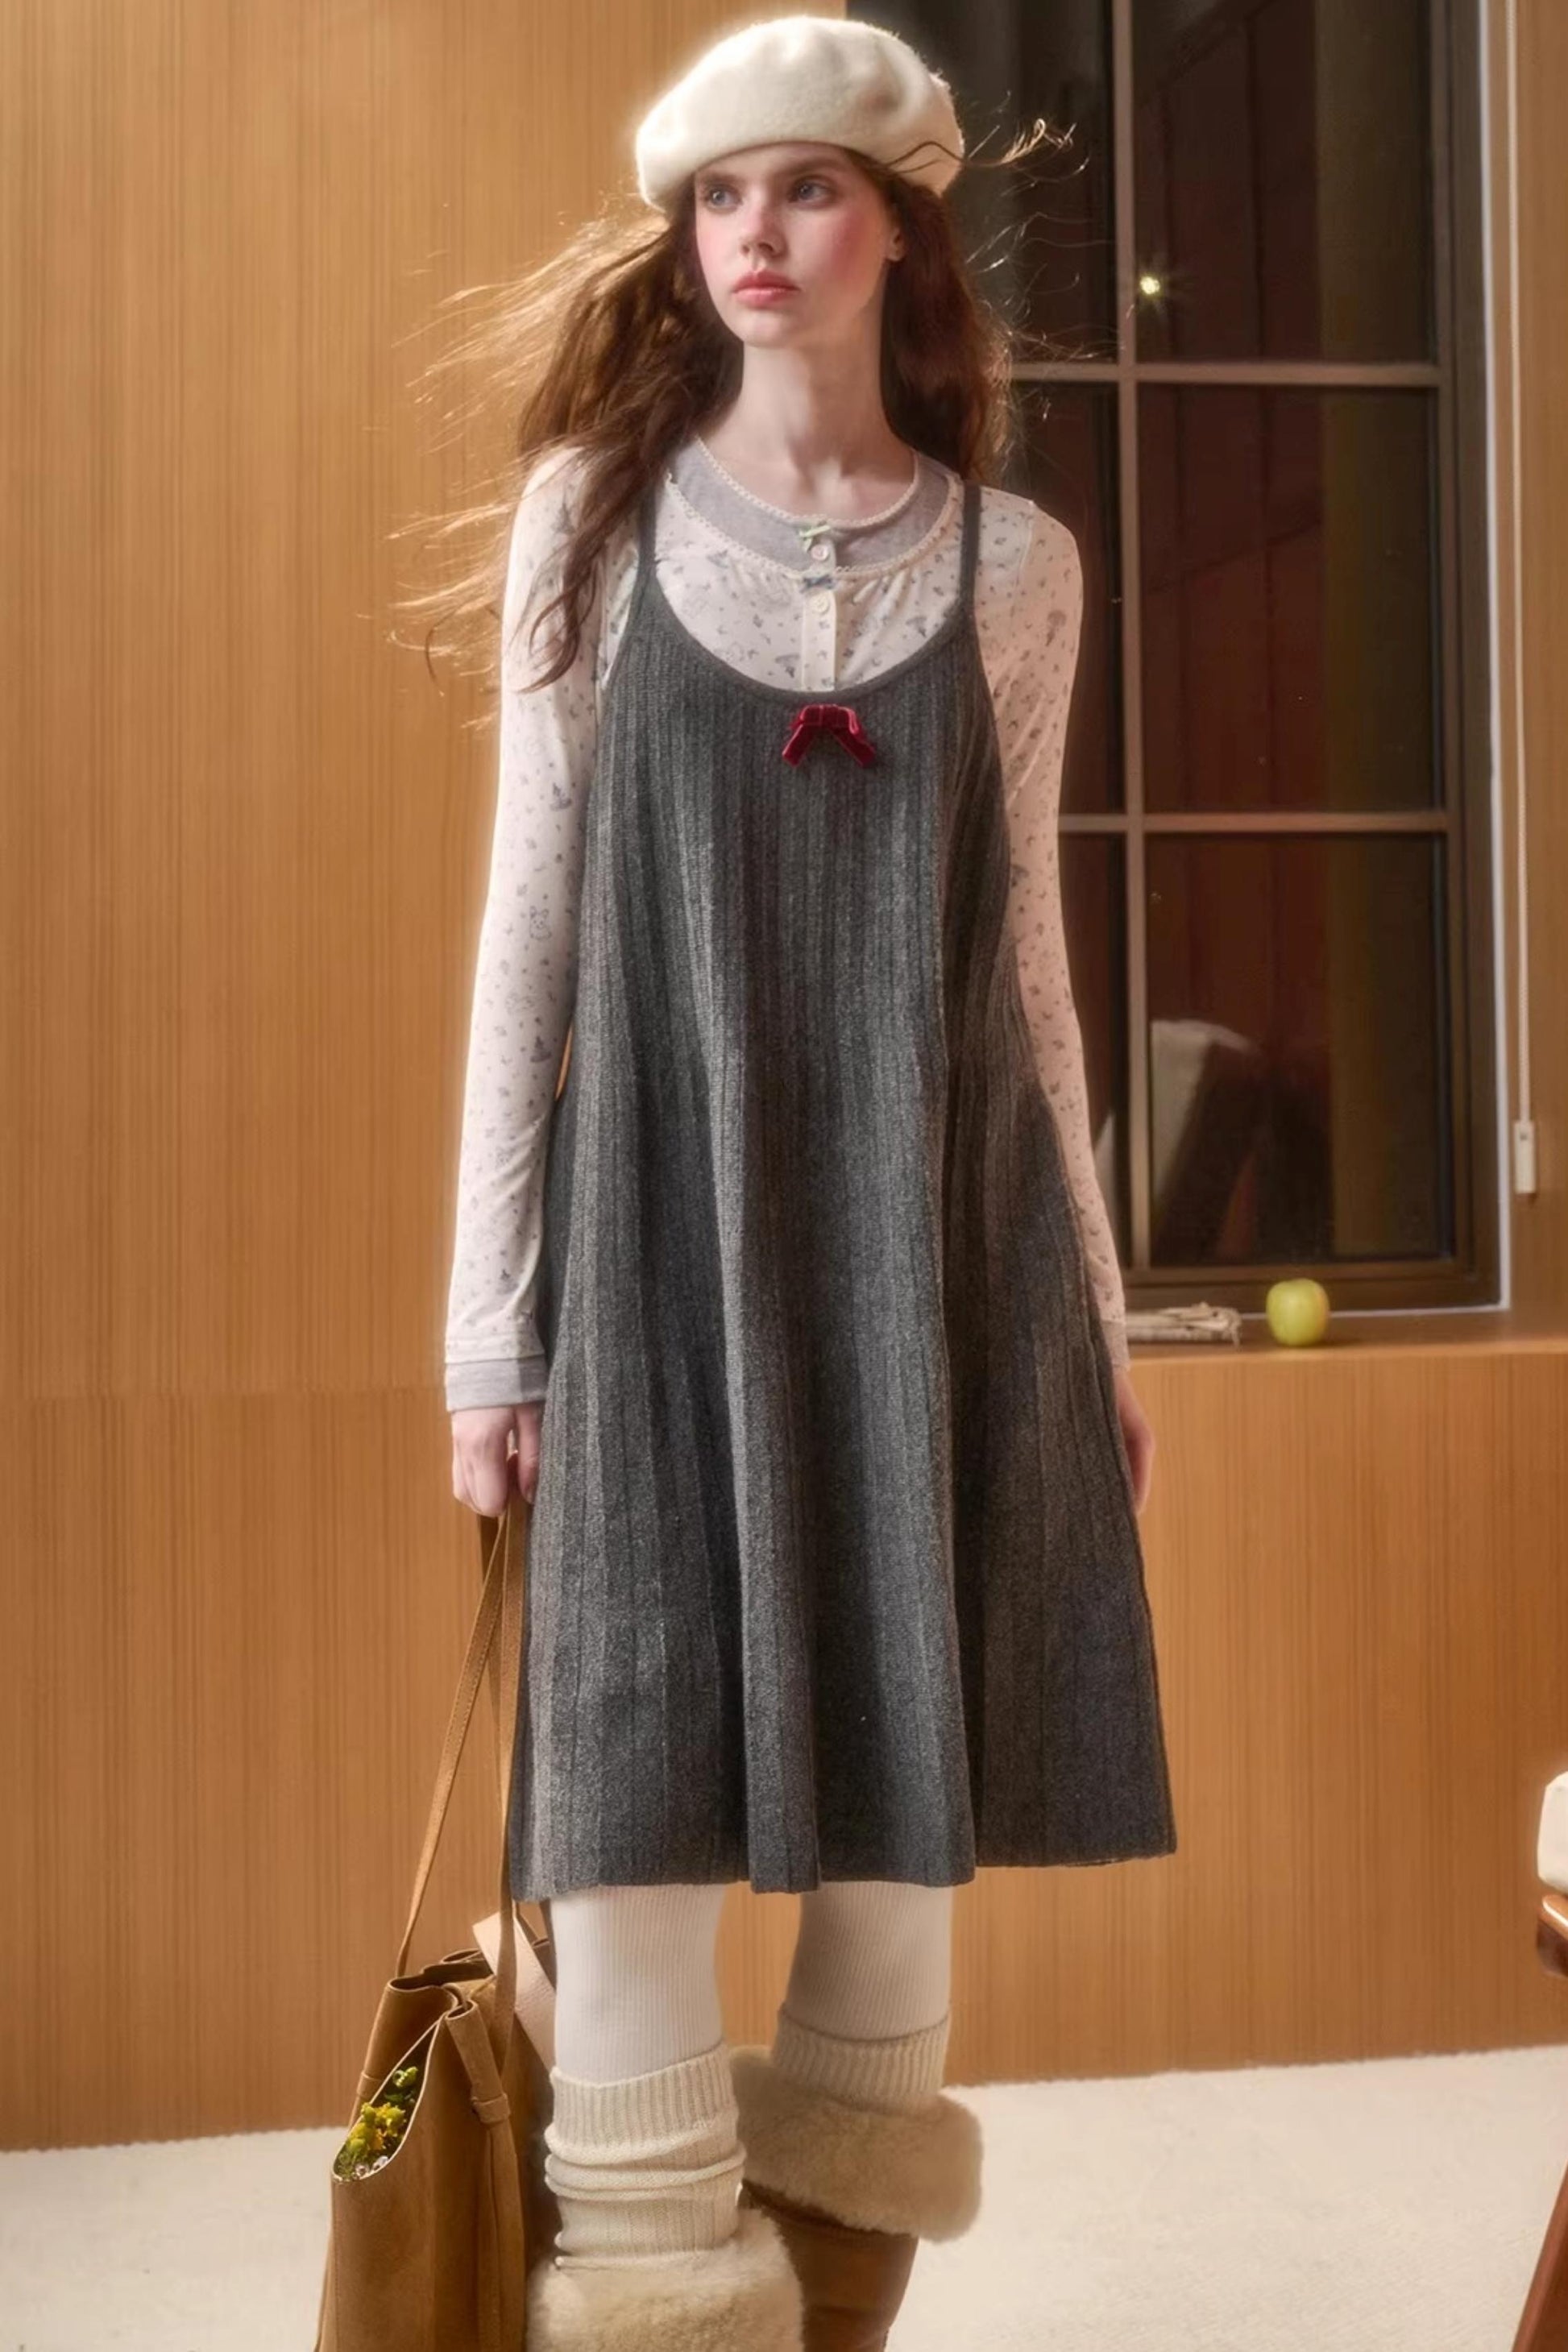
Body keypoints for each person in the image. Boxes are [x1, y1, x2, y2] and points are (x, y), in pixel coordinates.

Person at [430, 16, 1178, 2348]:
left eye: (809, 190)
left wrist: (1096, 1310)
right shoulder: (592, 521)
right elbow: (530, 936)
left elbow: (1030, 955)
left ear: (900, 233)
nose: (755, 235)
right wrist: (487, 1332)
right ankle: (656, 2292)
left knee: (898, 1806)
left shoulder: (1020, 567)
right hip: (655, 1246)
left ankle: (840, 2291)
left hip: (935, 1243)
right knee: (631, 1802)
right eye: (721, 197)